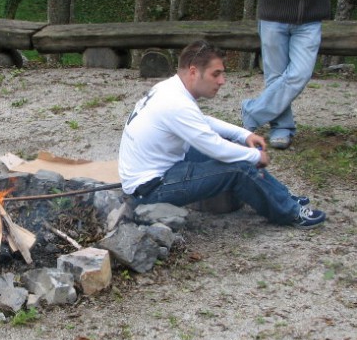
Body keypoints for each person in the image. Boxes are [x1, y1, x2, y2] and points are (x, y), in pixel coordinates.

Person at [118, 40, 326, 228]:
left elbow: (202, 122)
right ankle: (290, 212)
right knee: (239, 167)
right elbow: (214, 146)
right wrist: (256, 156)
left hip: (160, 168)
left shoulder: (169, 88)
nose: (222, 81)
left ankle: (281, 196)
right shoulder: (175, 103)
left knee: (236, 148)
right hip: (150, 190)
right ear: (193, 72)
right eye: (215, 74)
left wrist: (244, 135)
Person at [242, 0, 357, 149]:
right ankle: (282, 127)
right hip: (273, 17)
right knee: (276, 77)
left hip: (310, 20)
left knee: (300, 74)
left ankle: (252, 112)